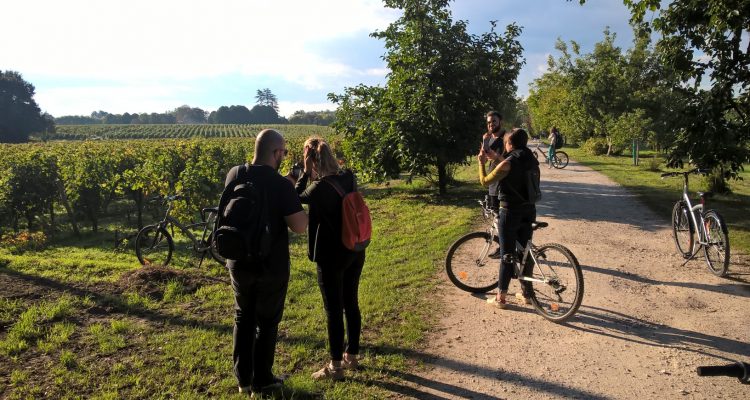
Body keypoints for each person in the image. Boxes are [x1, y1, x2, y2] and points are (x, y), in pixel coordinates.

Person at [224, 129, 308, 397]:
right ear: (276, 153)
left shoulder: (235, 173)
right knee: (267, 322)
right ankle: (263, 380)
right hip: (270, 265)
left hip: (237, 259)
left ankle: (243, 380)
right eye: (282, 152)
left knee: (242, 316)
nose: (283, 156)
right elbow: (298, 227)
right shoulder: (281, 185)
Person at [293, 137, 366, 381]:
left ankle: (335, 366)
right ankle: (352, 355)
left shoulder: (319, 188)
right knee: (351, 302)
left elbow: (295, 198)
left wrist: (304, 172)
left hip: (331, 255)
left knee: (333, 310)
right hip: (355, 248)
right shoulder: (349, 177)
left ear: (311, 159)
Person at [478, 128, 538, 308]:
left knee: (507, 255)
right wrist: (496, 157)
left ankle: (500, 298)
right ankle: (527, 294)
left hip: (510, 212)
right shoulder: (530, 157)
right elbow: (512, 165)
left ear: (509, 143)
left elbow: (485, 181)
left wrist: (481, 163)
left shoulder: (508, 162)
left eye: (506, 142)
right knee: (524, 254)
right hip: (529, 210)